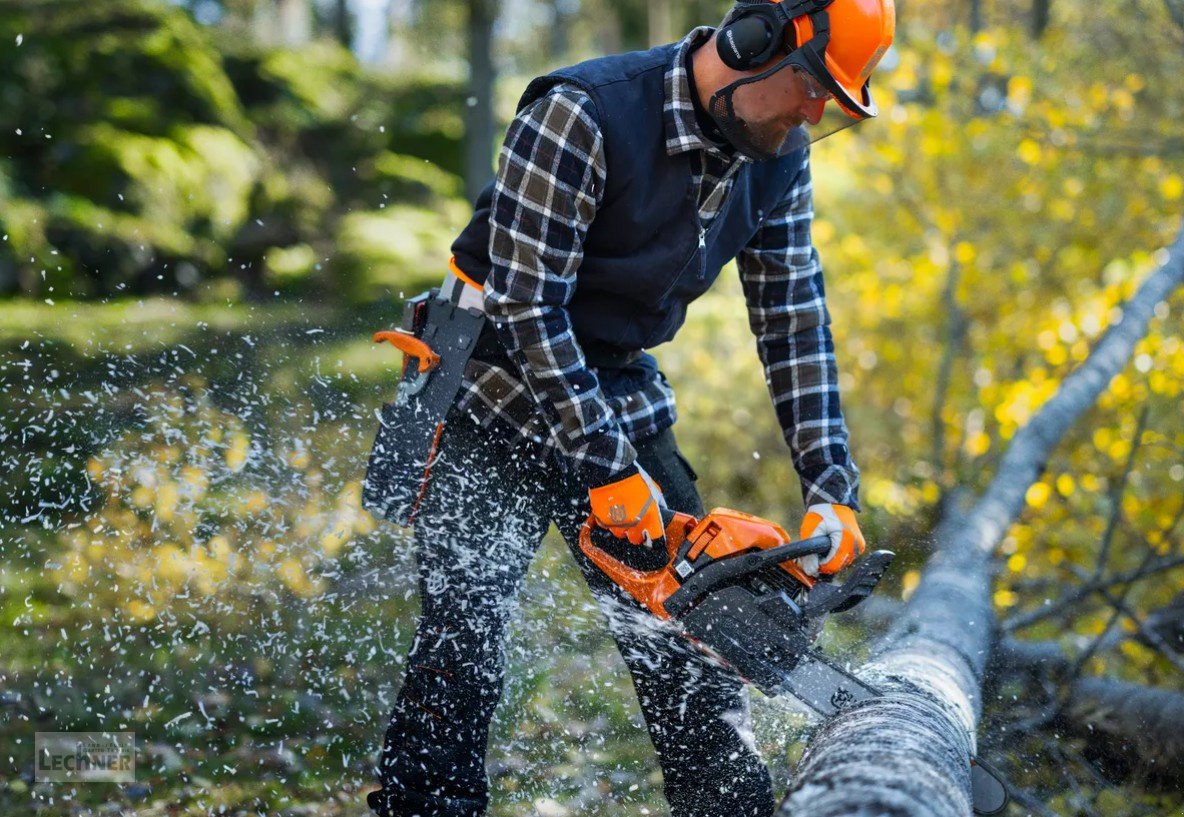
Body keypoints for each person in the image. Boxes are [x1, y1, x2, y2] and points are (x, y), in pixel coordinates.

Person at [367, 1, 895, 815]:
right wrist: (607, 469)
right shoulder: (583, 112)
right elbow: (527, 304)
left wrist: (832, 487)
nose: (814, 112)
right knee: (461, 644)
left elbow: (793, 321)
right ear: (755, 40)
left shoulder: (778, 157)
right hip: (488, 382)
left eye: (833, 99)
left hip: (613, 379)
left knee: (697, 638)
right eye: (812, 85)